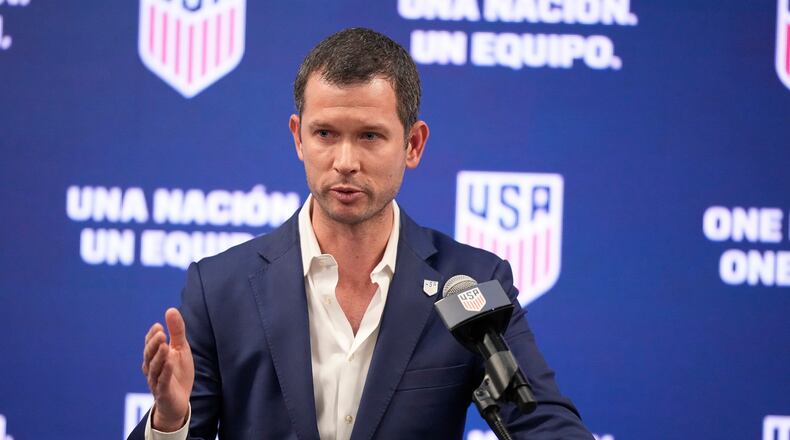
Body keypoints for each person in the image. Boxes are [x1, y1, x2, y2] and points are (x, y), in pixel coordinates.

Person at [129, 28, 593, 440]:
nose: (345, 161)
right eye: (325, 134)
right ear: (298, 137)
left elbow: (542, 422)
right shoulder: (220, 288)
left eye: (370, 136)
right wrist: (170, 421)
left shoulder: (470, 283)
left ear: (413, 144)